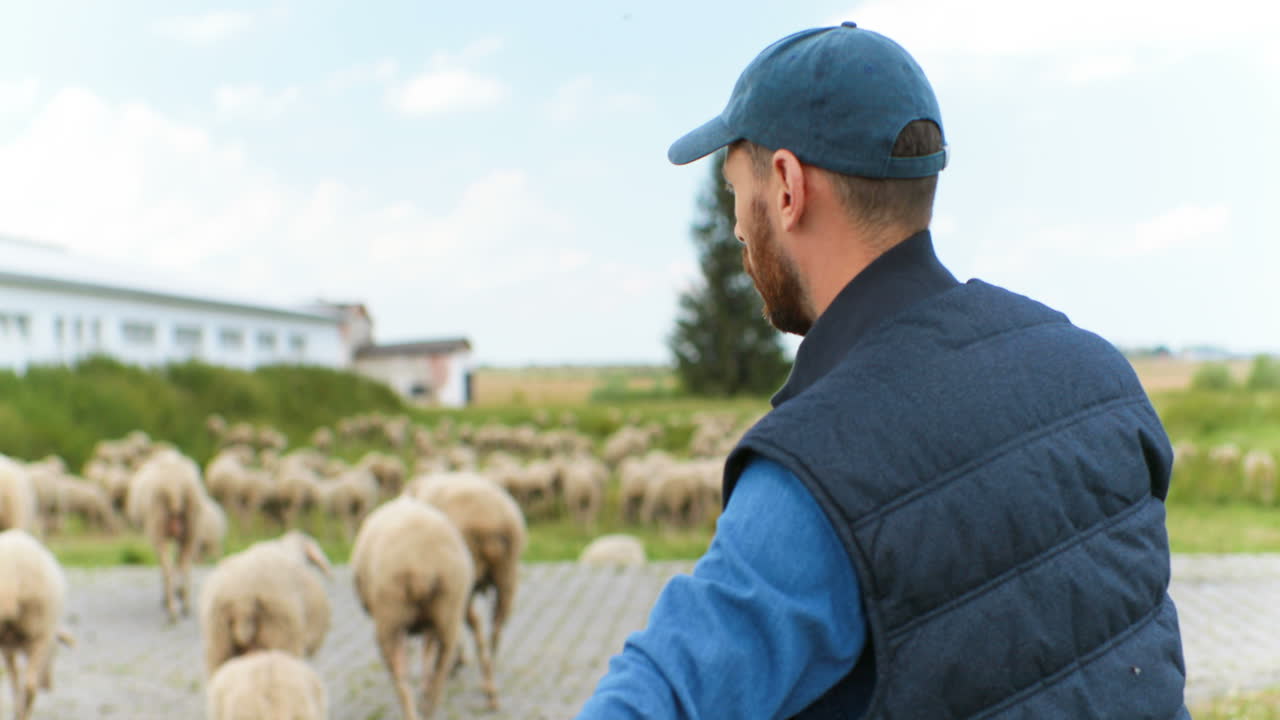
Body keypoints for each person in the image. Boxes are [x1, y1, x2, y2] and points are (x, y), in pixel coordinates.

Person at [574, 21, 1190, 720]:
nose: (739, 230)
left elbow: (661, 698)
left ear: (785, 186)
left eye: (732, 193)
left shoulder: (817, 477)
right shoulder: (1097, 378)